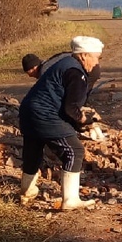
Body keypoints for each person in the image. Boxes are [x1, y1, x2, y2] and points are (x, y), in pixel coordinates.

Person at [17, 36, 103, 210]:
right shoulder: (76, 73)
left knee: (33, 150)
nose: (97, 63)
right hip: (45, 114)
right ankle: (70, 200)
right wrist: (87, 121)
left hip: (28, 111)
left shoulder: (65, 63)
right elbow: (71, 109)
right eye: (97, 57)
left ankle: (27, 193)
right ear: (84, 55)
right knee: (75, 151)